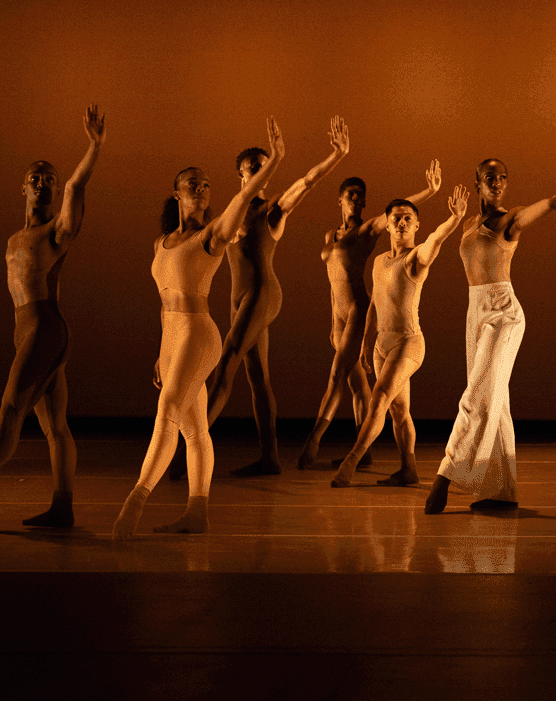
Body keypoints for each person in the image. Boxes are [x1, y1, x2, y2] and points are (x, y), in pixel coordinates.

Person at [0, 107, 106, 531]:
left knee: (10, 412)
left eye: (49, 178)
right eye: (36, 178)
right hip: (29, 332)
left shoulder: (56, 234)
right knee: (55, 428)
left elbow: (76, 186)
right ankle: (62, 506)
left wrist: (94, 146)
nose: (44, 183)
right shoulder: (15, 238)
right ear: (23, 188)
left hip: (45, 328)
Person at [112, 119, 283, 540]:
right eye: (193, 183)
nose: (202, 188)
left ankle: (134, 504)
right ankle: (197, 512)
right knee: (194, 429)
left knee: (168, 410)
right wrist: (159, 350)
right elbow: (164, 304)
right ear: (177, 193)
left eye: (206, 184)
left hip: (198, 334)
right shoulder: (162, 243)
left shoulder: (214, 234)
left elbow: (244, 198)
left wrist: (275, 160)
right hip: (172, 337)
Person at [424, 152, 556, 514]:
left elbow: (551, 203)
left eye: (502, 176)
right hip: (475, 310)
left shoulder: (510, 220)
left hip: (503, 313)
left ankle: (444, 476)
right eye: (489, 177)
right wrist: (453, 215)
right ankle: (500, 491)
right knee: (496, 400)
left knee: (477, 393)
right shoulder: (469, 223)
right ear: (477, 183)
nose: (497, 182)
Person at [198, 116, 351, 477]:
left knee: (228, 361)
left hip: (263, 294)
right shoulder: (231, 212)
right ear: (241, 173)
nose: (261, 173)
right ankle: (269, 458)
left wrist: (338, 155)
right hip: (240, 297)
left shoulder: (273, 210)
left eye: (265, 168)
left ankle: (185, 443)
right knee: (257, 377)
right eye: (253, 168)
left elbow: (307, 182)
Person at [297, 160, 442, 469]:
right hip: (338, 313)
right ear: (340, 199)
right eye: (352, 194)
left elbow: (395, 214)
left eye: (362, 196)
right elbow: (331, 282)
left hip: (356, 311)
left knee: (336, 377)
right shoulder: (329, 236)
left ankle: (313, 441)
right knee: (357, 387)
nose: (358, 200)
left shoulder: (365, 231)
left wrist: (429, 191)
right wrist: (329, 321)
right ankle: (367, 454)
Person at [331, 186, 471, 489]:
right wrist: (367, 344)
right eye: (396, 218)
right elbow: (374, 305)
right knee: (399, 410)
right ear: (388, 222)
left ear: (416, 224)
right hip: (382, 344)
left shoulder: (415, 259)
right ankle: (409, 469)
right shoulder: (380, 261)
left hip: (408, 343)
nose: (402, 223)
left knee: (379, 397)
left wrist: (454, 220)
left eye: (408, 218)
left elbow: (435, 241)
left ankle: (351, 461)